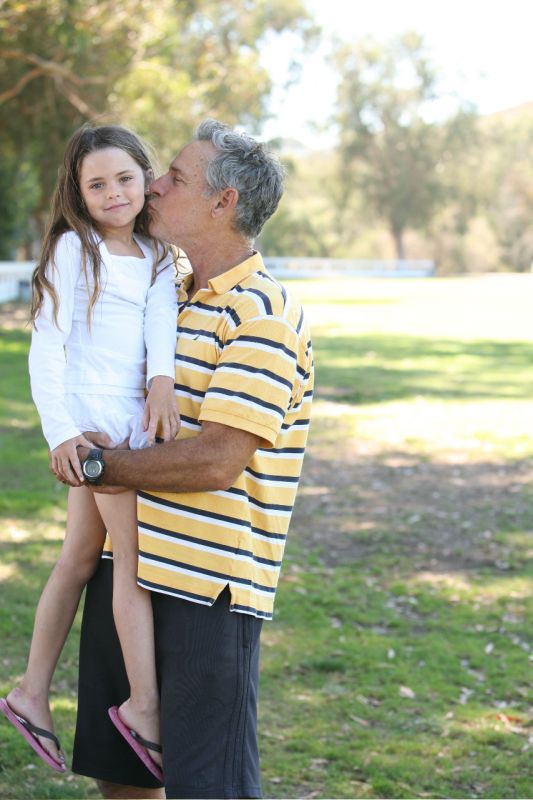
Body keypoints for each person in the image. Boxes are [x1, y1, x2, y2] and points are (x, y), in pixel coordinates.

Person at [58, 118, 314, 800]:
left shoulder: (264, 313)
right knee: (121, 777)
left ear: (222, 202)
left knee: (209, 788)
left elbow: (215, 462)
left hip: (208, 588)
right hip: (126, 572)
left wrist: (96, 467)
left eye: (173, 176)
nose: (153, 185)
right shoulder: (162, 291)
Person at [0, 125, 180, 781]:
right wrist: (62, 432)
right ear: (78, 192)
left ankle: (30, 692)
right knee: (131, 560)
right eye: (96, 184)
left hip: (132, 417)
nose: (113, 193)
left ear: (144, 178)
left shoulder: (158, 254)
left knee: (78, 559)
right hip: (95, 426)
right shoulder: (75, 249)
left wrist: (162, 381)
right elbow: (47, 346)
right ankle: (144, 707)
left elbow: (160, 321)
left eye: (124, 178)